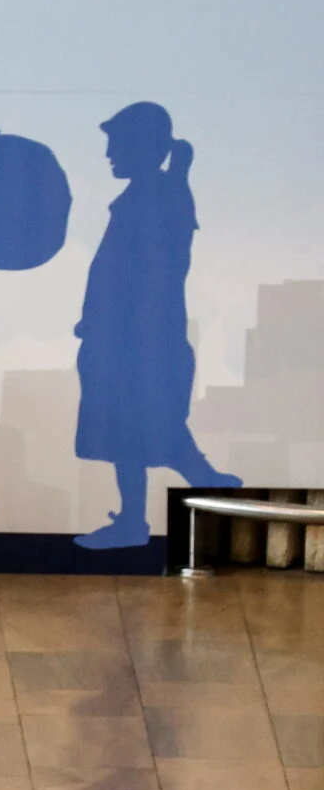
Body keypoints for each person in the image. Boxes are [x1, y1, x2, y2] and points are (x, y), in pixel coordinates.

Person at [72, 103, 240, 550]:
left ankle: (145, 515)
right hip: (126, 336)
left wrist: (111, 325)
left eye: (117, 143)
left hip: (140, 338)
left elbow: (153, 273)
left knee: (143, 426)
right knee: (141, 429)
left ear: (142, 146)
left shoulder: (157, 197)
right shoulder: (151, 194)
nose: (109, 153)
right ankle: (148, 512)